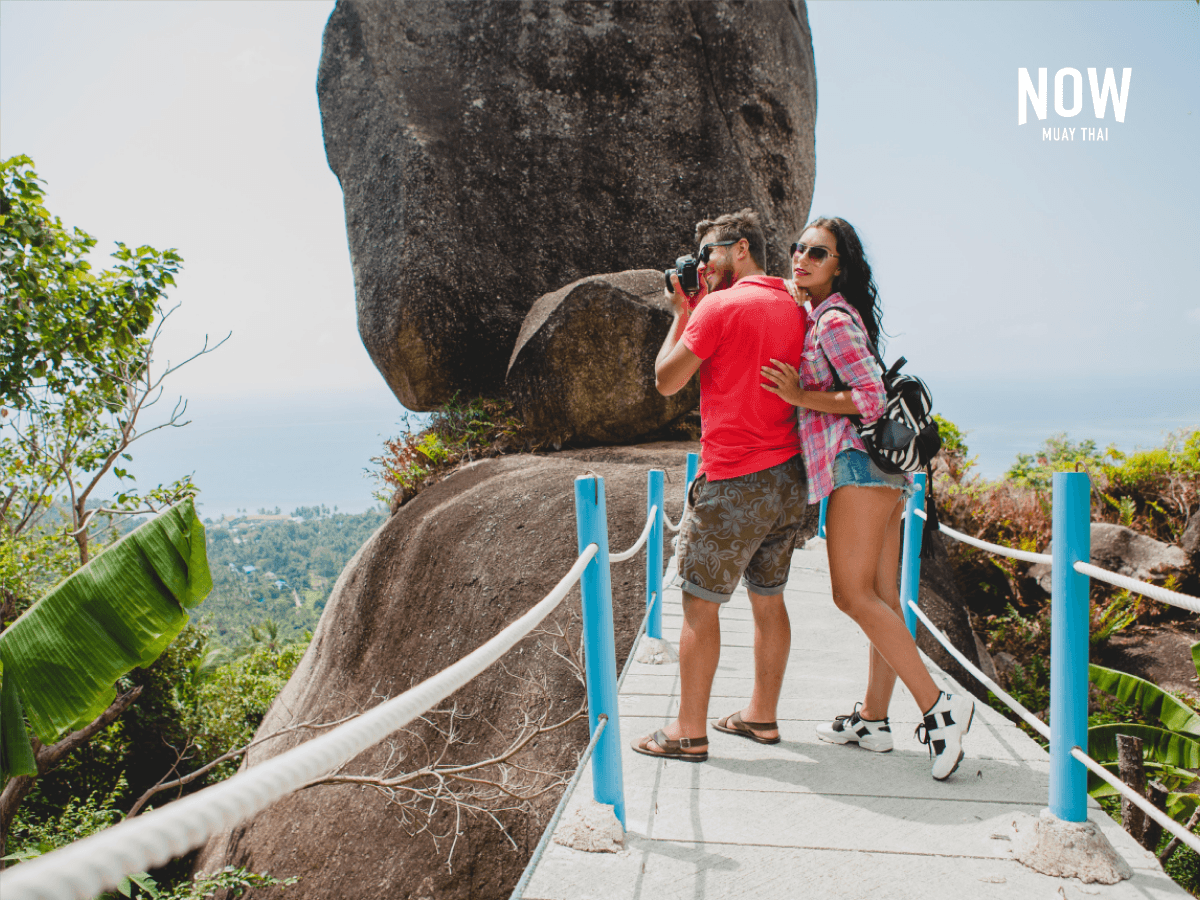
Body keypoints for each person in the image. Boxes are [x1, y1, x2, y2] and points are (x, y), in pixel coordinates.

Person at [760, 216, 974, 780]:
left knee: (851, 596)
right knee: (880, 596)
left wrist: (800, 393)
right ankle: (874, 720)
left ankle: (939, 710)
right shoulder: (830, 314)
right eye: (798, 248)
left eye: (818, 253)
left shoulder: (831, 318)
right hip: (882, 475)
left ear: (840, 267)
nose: (802, 257)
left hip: (859, 468)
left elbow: (871, 398)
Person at [631, 208, 809, 762]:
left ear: (741, 249)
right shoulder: (793, 301)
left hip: (733, 478)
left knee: (699, 606)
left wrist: (681, 312)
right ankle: (760, 716)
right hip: (788, 477)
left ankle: (687, 731)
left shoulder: (717, 307)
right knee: (769, 598)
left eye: (709, 252)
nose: (703, 263)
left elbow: (666, 379)